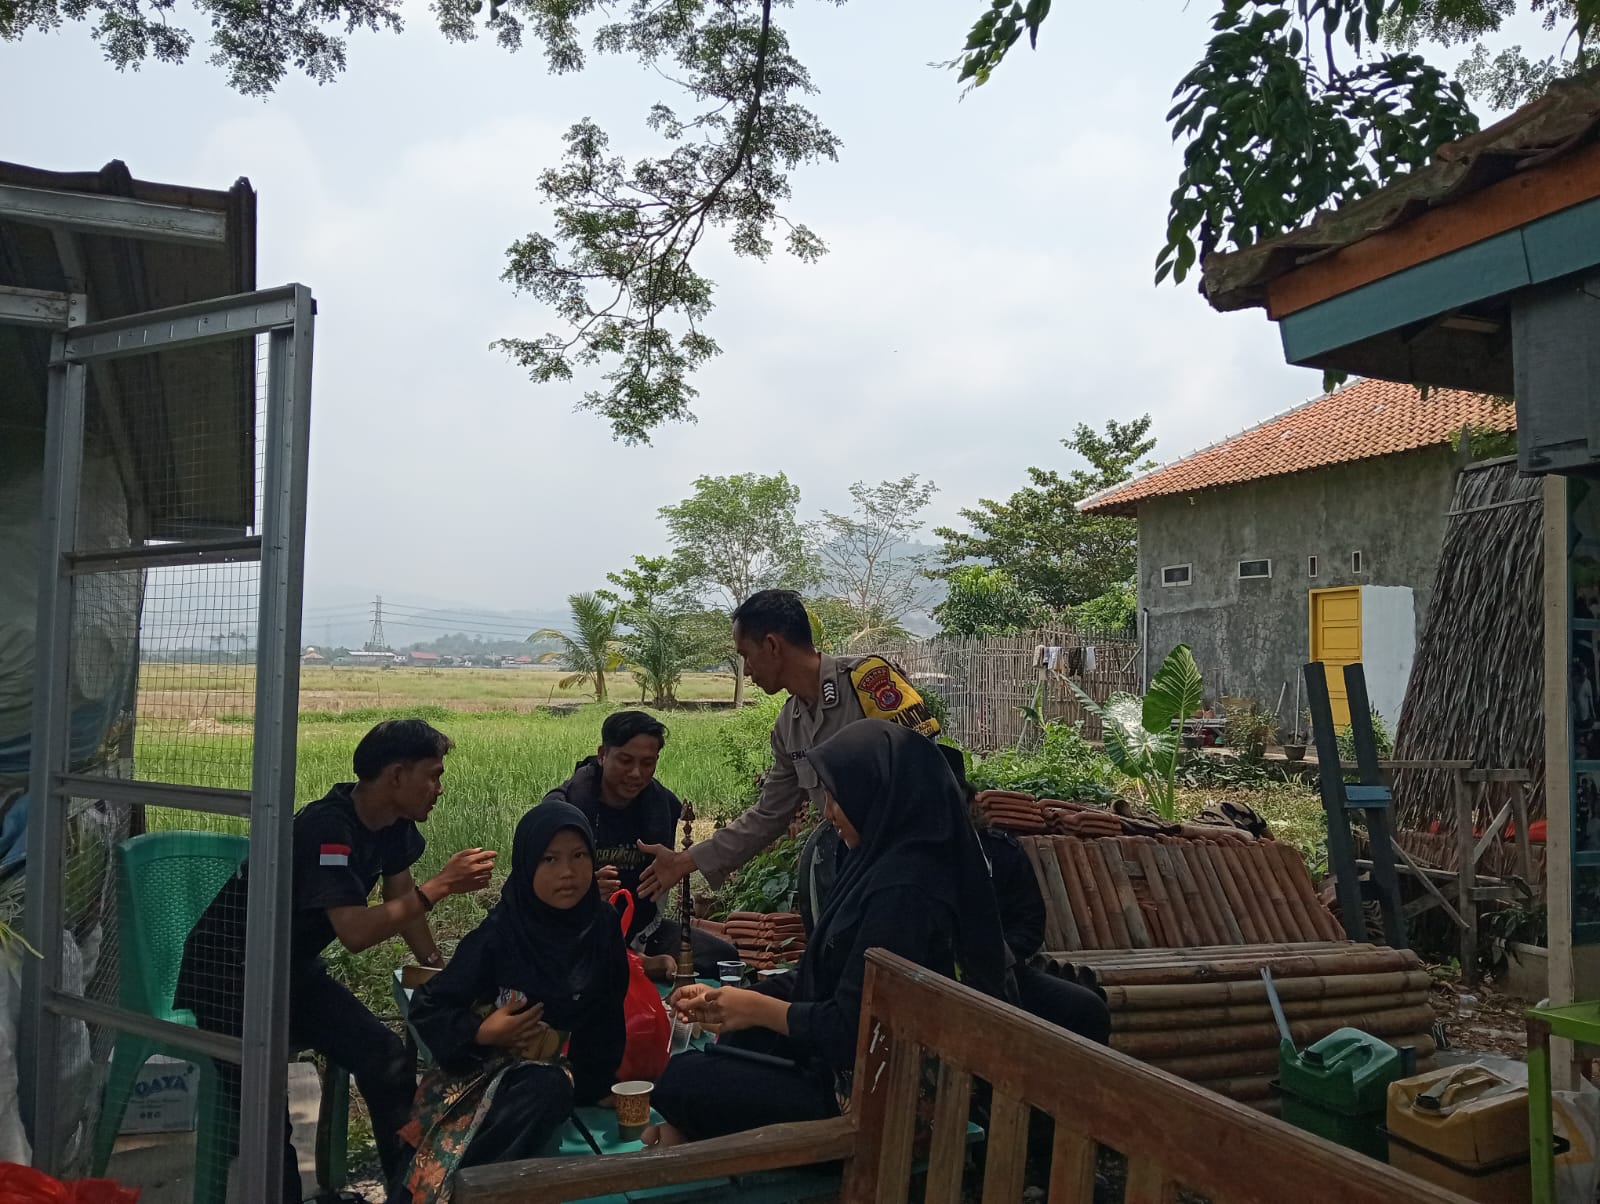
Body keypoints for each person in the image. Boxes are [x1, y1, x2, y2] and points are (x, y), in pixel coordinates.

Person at [175, 719, 497, 1202]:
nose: (439, 789)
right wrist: (443, 886)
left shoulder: (394, 823)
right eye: (432, 776)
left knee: (387, 1061)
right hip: (228, 976)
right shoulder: (328, 828)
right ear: (395, 776)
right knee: (267, 1116)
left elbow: (400, 893)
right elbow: (355, 932)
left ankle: (407, 1194)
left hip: (290, 971)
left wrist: (436, 968)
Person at [642, 720, 1007, 1145]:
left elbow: (850, 1030)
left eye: (838, 797)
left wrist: (757, 1007)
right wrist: (733, 999)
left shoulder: (905, 893)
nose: (828, 812)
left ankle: (685, 1136)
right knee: (736, 1041)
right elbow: (825, 973)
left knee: (684, 1078)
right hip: (846, 1062)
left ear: (877, 795)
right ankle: (686, 1134)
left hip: (880, 1095)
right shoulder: (874, 862)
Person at [639, 589, 937, 904]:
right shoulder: (788, 727)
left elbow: (927, 773)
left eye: (746, 655)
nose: (747, 670)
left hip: (913, 868)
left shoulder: (868, 682)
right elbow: (770, 814)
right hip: (855, 872)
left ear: (772, 645)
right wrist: (686, 861)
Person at [397, 803, 628, 1203]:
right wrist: (482, 1032)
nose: (568, 872)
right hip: (483, 1073)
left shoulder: (600, 926)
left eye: (579, 856)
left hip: (554, 1075)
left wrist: (597, 1084)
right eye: (550, 859)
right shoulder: (502, 932)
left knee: (552, 1087)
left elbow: (606, 1013)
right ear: (525, 864)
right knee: (544, 1089)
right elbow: (430, 1007)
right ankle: (468, 1193)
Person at [540, 710, 739, 978]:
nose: (636, 773)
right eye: (625, 761)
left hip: (641, 930)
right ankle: (634, 964)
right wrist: (580, 892)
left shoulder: (664, 806)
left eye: (647, 763)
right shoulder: (561, 808)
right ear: (602, 754)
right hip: (573, 928)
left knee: (721, 957)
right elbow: (535, 888)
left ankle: (633, 961)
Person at [938, 745, 1111, 1045]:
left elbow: (1030, 922)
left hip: (1001, 971)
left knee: (1086, 1008)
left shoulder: (1001, 851)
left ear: (967, 798)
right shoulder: (911, 855)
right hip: (935, 979)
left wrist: (998, 953)